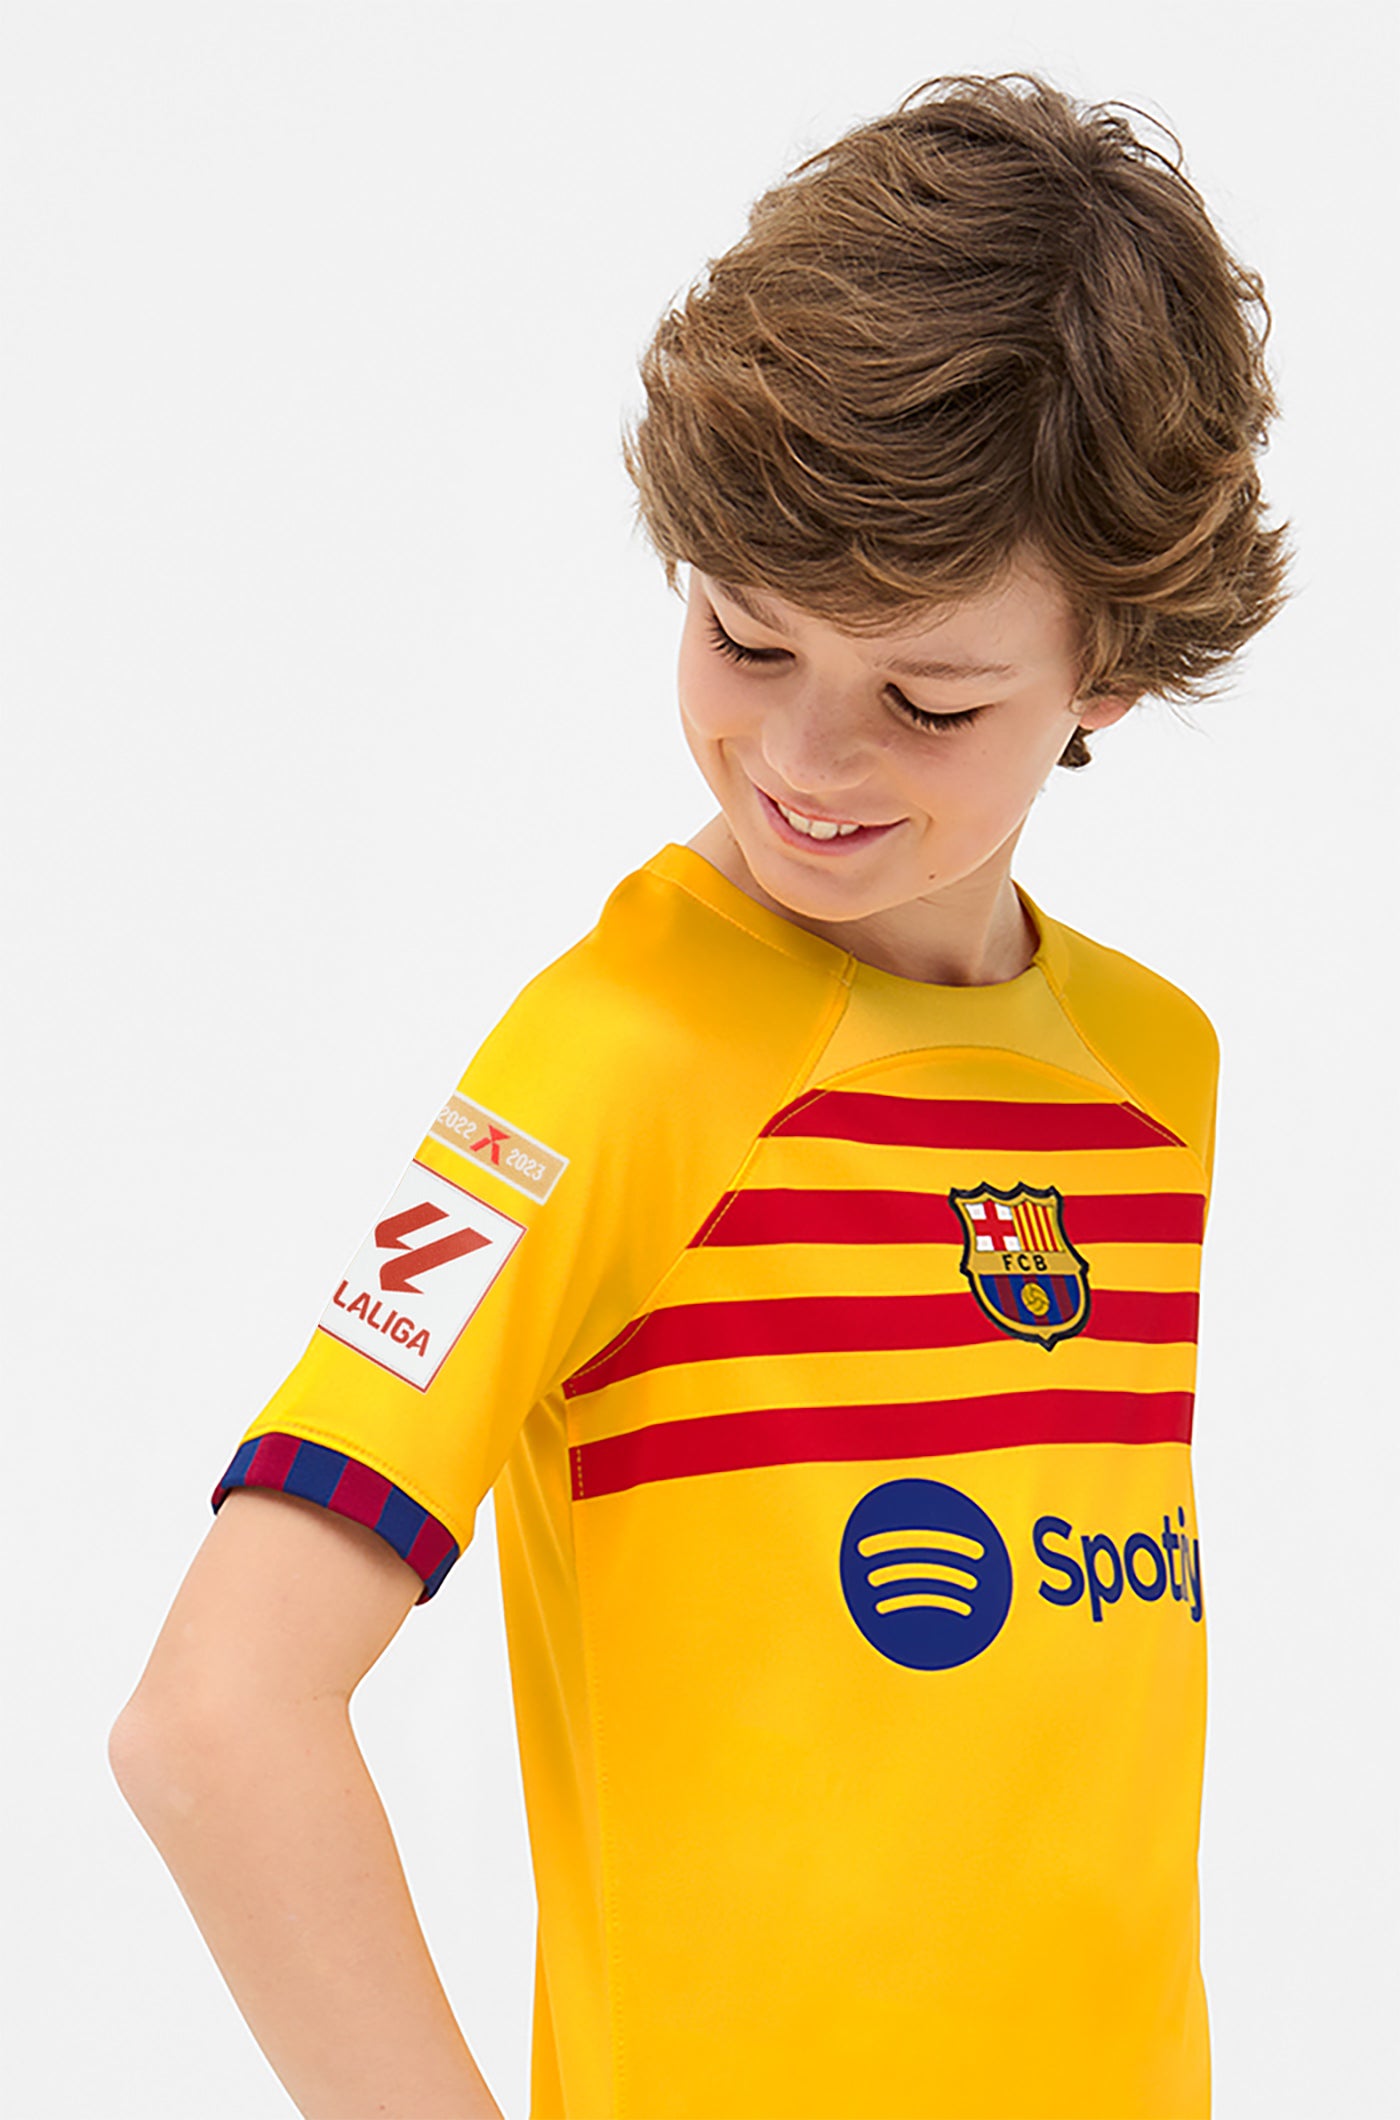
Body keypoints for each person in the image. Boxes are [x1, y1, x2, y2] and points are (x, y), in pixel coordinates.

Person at [108, 72, 1288, 2120]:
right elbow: (216, 1718)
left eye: (928, 697)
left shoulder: (1152, 1073)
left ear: (1109, 670)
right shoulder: (602, 1070)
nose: (806, 760)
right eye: (746, 641)